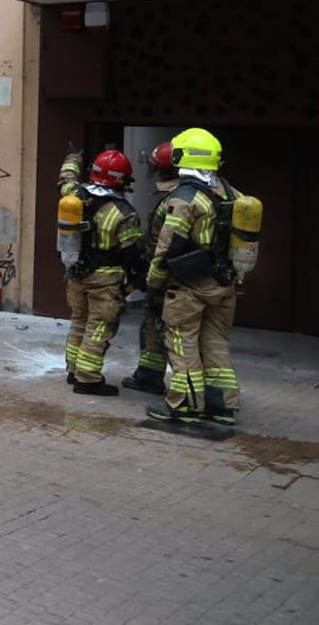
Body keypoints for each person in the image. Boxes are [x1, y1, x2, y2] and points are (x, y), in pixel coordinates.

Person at [145, 128, 252, 427]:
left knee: (182, 344)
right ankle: (222, 406)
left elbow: (168, 246)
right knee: (216, 343)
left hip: (189, 286)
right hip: (223, 283)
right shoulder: (233, 194)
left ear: (182, 156)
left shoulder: (185, 198)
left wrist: (153, 281)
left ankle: (184, 406)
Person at [57, 149, 144, 396]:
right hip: (105, 279)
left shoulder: (73, 195)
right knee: (99, 326)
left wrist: (72, 158)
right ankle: (88, 379)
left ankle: (73, 370)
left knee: (79, 321)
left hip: (75, 272)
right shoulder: (125, 213)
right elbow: (132, 253)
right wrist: (139, 278)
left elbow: (66, 179)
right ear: (121, 179)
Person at [121, 142, 176, 395]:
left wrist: (147, 275)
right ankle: (149, 375)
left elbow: (159, 244)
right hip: (181, 277)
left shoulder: (174, 201)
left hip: (170, 279)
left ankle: (187, 392)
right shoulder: (206, 195)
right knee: (154, 325)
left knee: (168, 330)